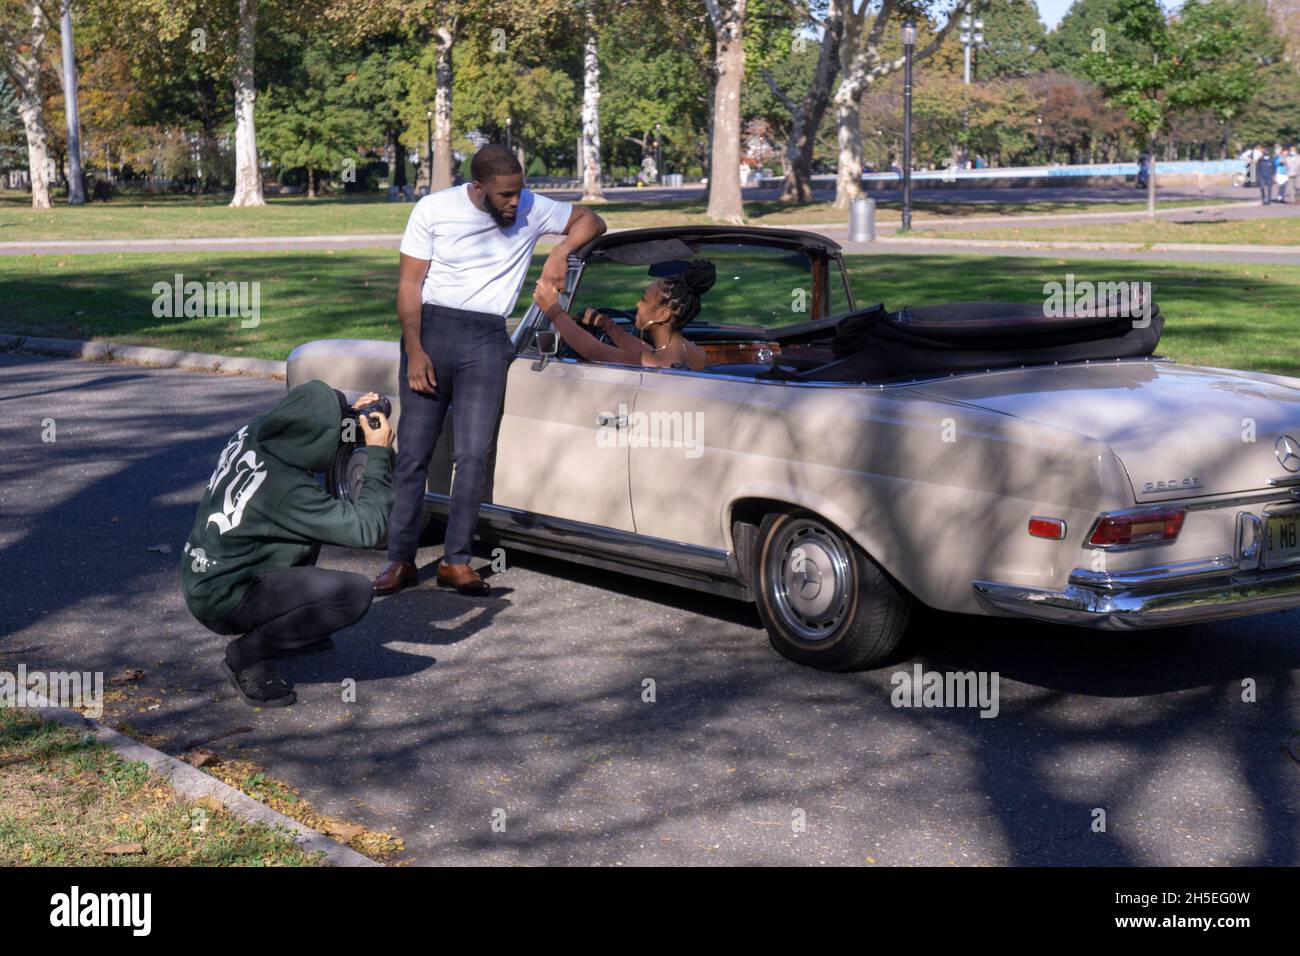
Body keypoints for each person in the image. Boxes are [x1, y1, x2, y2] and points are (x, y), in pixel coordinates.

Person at [373, 144, 607, 597]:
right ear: (477, 188)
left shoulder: (531, 206)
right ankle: (399, 560)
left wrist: (559, 253)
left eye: (518, 192)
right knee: (414, 455)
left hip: (486, 340)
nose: (515, 203)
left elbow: (592, 221)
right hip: (431, 333)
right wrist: (416, 350)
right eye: (504, 195)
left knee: (473, 455)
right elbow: (409, 284)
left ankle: (456, 562)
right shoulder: (433, 210)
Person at [181, 382, 395, 707]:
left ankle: (293, 627)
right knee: (352, 593)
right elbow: (368, 530)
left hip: (207, 574)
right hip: (225, 598)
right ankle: (246, 656)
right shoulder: (286, 489)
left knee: (304, 536)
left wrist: (350, 413)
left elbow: (306, 423)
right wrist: (378, 453)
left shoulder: (256, 431)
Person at [532, 260, 717, 370]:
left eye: (643, 299)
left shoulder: (654, 364)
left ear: (662, 315)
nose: (637, 304)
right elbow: (644, 350)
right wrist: (605, 324)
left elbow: (594, 350)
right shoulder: (695, 352)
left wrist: (553, 310)